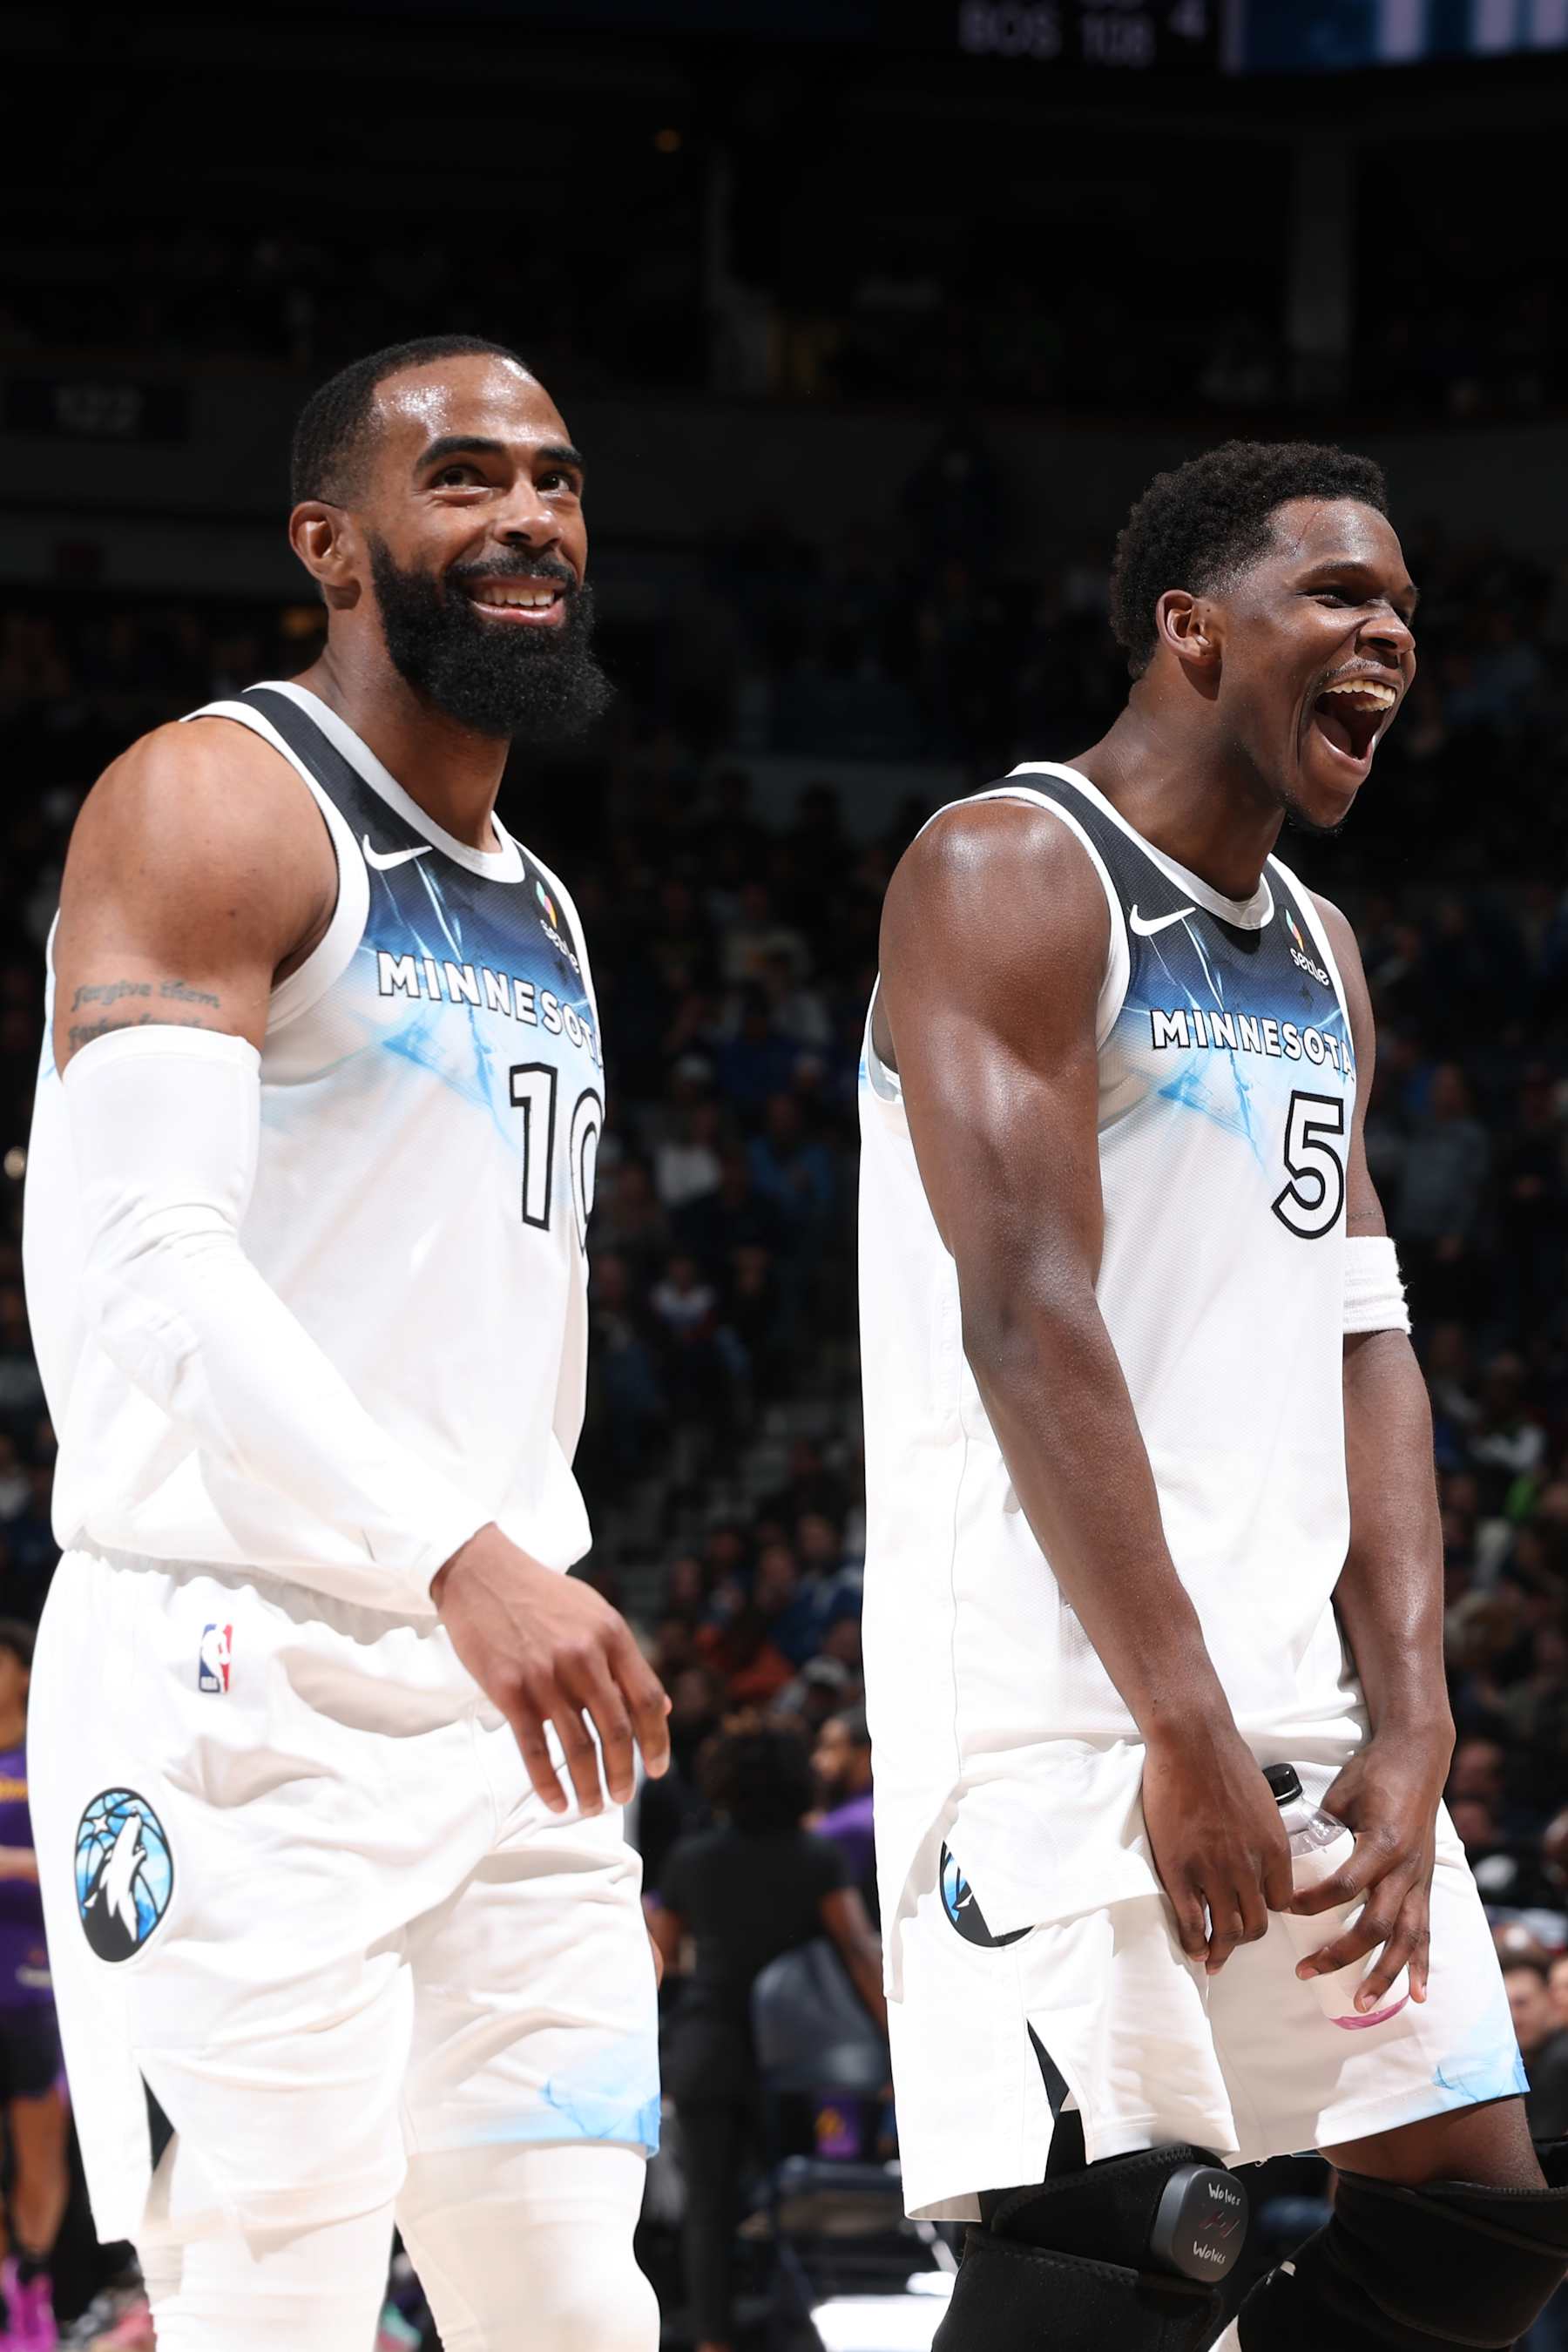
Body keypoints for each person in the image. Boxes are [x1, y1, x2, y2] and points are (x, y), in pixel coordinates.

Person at [858, 439, 1564, 2352]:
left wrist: (1411, 1721)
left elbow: (1368, 1331)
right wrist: (1179, 1717)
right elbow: (1029, 1305)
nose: (1391, 639)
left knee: (1475, 2224)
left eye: (1408, 611)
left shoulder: (1323, 950)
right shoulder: (1011, 867)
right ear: (1190, 628)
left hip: (1299, 1721)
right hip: (1062, 1715)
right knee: (1120, 2256)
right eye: (1339, 598)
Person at [21, 335, 672, 2352]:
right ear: (334, 542)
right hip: (242, 1678)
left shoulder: (544, 903)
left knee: (576, 2305)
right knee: (267, 2309)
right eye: (463, 479)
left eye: (555, 480)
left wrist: (500, 1559)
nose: (529, 518)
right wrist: (455, 1552)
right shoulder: (215, 795)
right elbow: (146, 1254)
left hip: (502, 1700)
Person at [649, 1725, 885, 2352]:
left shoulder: (692, 1858)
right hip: (796, 2054)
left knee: (707, 2205)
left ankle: (713, 2341)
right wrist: (893, 2043)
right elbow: (861, 1953)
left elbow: (656, 1956)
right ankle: (796, 2323)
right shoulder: (817, 1857)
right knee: (792, 2198)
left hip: (707, 2046)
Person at [0, 1621, 67, 2350]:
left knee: (41, 2158)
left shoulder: (49, 1760)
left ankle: (36, 2281)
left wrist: (12, 1865)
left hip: (37, 1984)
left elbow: (84, 1866)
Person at [812, 1707, 878, 1921]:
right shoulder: (840, 1808)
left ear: (864, 1754)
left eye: (830, 1748)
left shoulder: (863, 1818)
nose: (817, 1760)